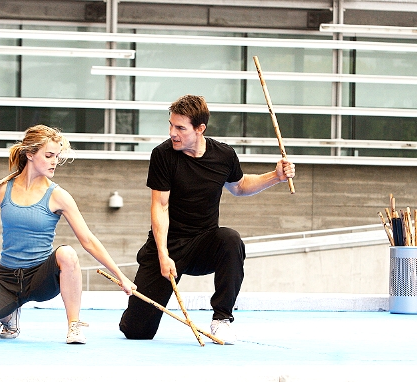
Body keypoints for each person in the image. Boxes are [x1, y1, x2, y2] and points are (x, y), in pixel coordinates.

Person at [119, 94, 295, 344]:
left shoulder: (224, 155)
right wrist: (162, 254)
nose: (172, 133)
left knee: (230, 240)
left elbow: (240, 187)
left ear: (200, 128)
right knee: (137, 332)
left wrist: (275, 177)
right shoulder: (163, 155)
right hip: (169, 245)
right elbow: (160, 206)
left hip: (204, 244)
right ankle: (136, 316)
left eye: (180, 128)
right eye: (171, 125)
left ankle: (222, 320)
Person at [0, 124, 136, 344]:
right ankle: (8, 315)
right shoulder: (3, 189)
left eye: (57, 156)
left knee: (67, 253)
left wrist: (121, 277)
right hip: (6, 279)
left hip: (40, 277)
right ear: (30, 154)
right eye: (49, 155)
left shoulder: (58, 196)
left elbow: (88, 240)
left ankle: (74, 325)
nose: (54, 162)